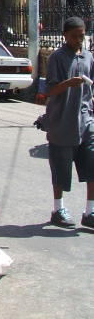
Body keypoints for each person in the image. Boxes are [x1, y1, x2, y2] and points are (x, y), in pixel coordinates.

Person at [45, 16, 94, 228]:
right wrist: (69, 84)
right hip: (62, 123)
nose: (78, 40)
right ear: (65, 35)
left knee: (92, 165)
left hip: (86, 121)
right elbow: (50, 90)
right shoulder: (57, 58)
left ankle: (90, 212)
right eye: (74, 36)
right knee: (61, 169)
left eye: (81, 36)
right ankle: (58, 209)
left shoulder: (89, 58)